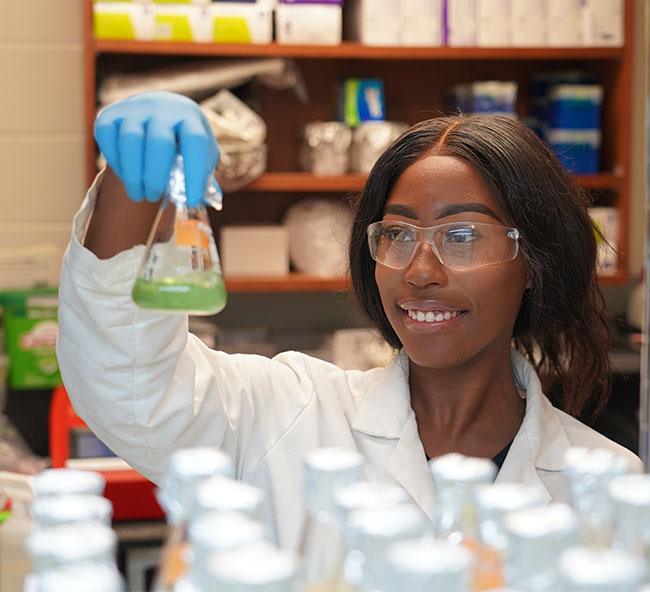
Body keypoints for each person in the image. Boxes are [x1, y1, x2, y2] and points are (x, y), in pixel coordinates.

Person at [56, 91, 641, 550]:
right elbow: (128, 385)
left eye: (461, 235)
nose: (420, 270)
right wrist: (132, 184)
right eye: (398, 234)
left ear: (533, 261)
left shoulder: (609, 482)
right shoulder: (288, 414)